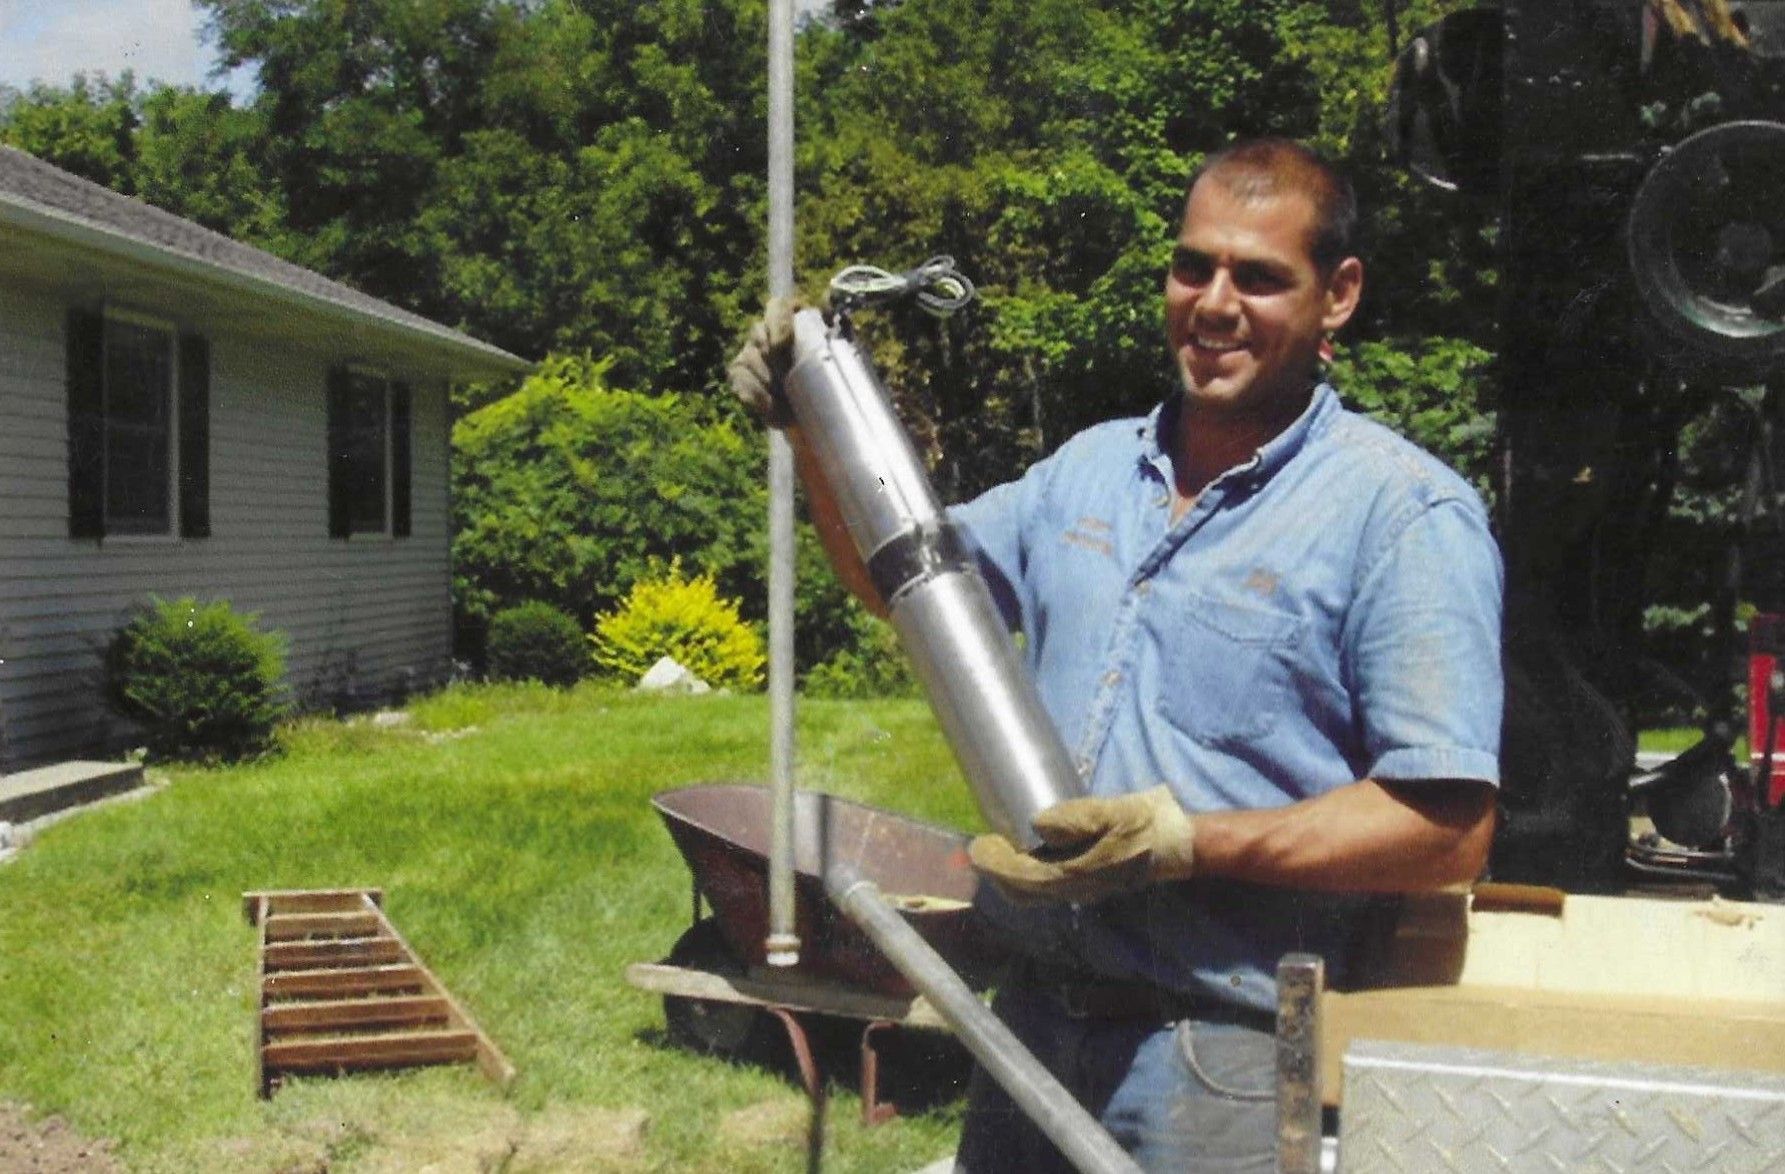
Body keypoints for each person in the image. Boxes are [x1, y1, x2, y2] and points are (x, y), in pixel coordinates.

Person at [729, 138, 1502, 1172]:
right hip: (1032, 1028)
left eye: (1262, 277)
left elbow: (1446, 827)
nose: (1215, 303)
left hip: (1225, 1052)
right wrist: (812, 428)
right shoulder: (1084, 473)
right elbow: (897, 585)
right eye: (1195, 266)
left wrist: (1188, 840)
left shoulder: (1402, 516)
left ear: (1339, 296)